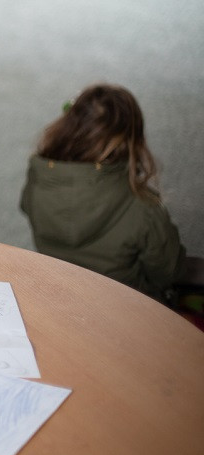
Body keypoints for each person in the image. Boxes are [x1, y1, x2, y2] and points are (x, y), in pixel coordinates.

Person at [20, 83, 186, 303]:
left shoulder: (38, 178)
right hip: (123, 308)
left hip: (59, 296)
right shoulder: (144, 207)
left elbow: (24, 205)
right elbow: (168, 271)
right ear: (132, 143)